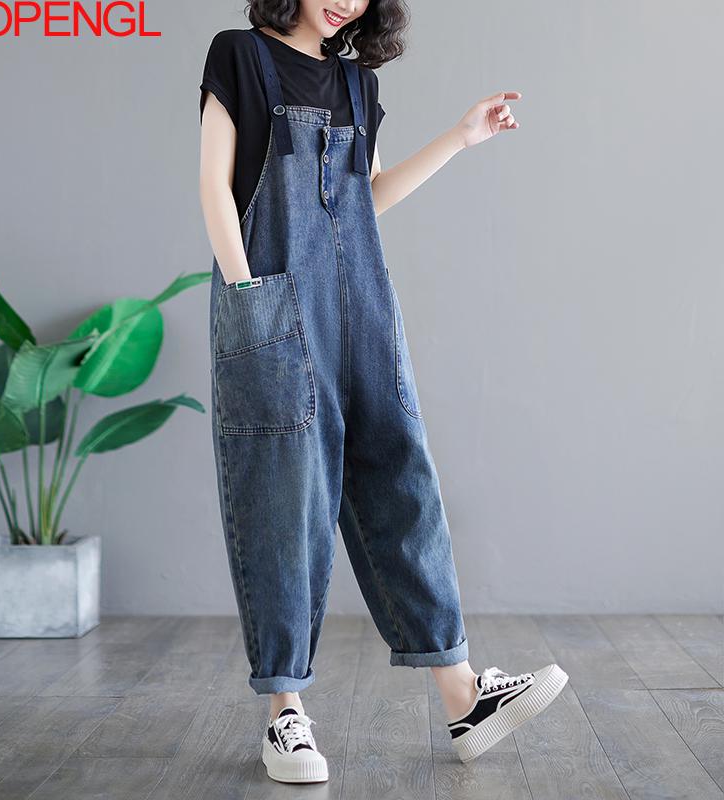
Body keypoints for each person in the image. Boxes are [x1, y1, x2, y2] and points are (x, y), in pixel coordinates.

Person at [199, 0, 568, 783]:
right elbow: (214, 187)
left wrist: (459, 138)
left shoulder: (357, 84)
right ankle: (285, 716)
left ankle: (464, 698)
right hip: (273, 304)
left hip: (361, 303)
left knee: (403, 482)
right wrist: (249, 297)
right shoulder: (240, 55)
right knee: (285, 501)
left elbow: (365, 196)